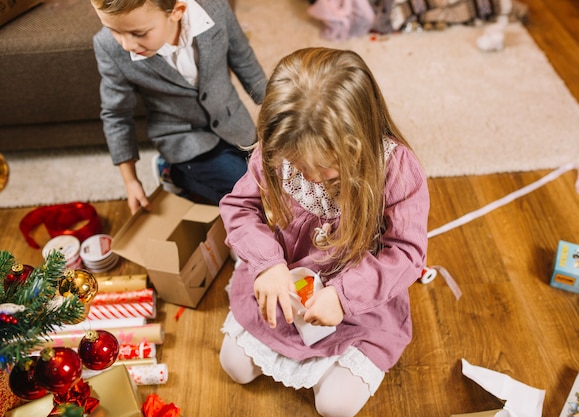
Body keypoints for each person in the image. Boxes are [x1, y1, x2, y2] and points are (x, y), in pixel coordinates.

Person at [219, 47, 430, 417]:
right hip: (286, 281)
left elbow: (407, 252)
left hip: (358, 302)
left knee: (334, 406)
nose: (312, 177)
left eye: (327, 169)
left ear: (359, 141)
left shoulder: (395, 168)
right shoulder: (280, 144)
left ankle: (330, 362)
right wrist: (268, 265)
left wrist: (344, 297)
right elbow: (239, 208)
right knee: (235, 368)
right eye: (299, 166)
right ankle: (310, 360)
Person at [90, 0, 267, 214]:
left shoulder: (215, 8)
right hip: (181, 136)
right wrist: (131, 181)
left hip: (233, 120)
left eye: (138, 33)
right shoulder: (108, 46)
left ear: (177, 11)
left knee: (274, 178)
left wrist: (277, 114)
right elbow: (116, 115)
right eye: (113, 30)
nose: (126, 45)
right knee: (252, 195)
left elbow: (244, 60)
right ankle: (173, 173)